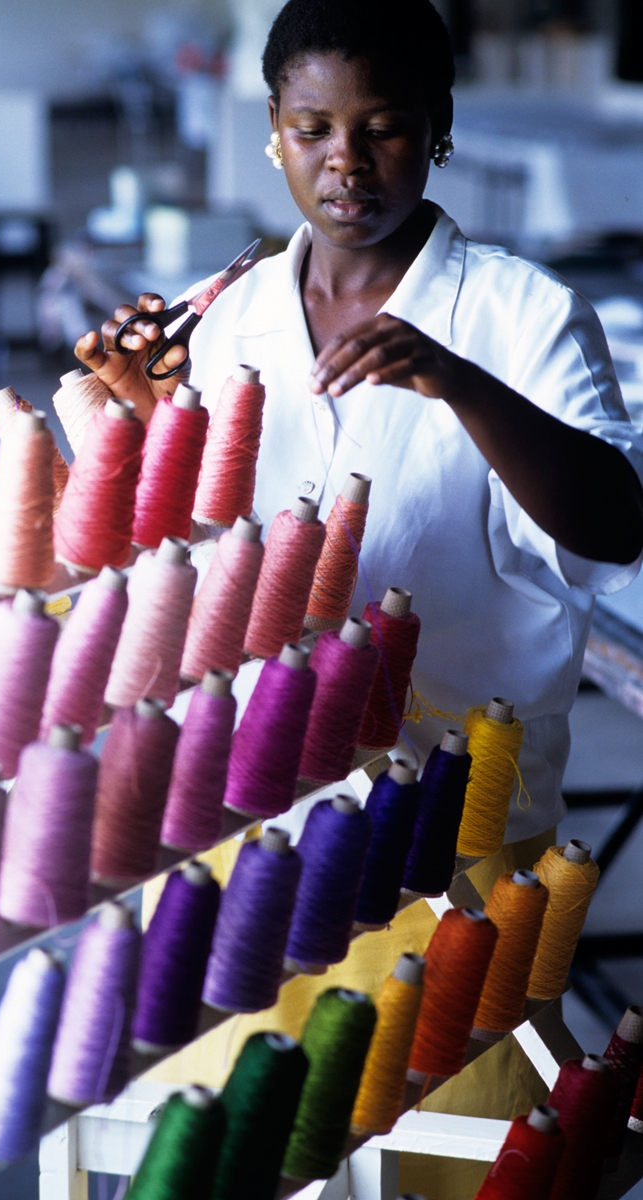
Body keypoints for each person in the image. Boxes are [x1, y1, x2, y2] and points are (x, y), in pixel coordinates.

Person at [76, 0, 643, 847]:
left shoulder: (524, 315)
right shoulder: (226, 317)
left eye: (381, 129)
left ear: (435, 124)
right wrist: (141, 411)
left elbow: (611, 530)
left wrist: (460, 384)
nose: (345, 162)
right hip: (257, 802)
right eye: (312, 129)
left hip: (456, 819)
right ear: (274, 126)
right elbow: (204, 548)